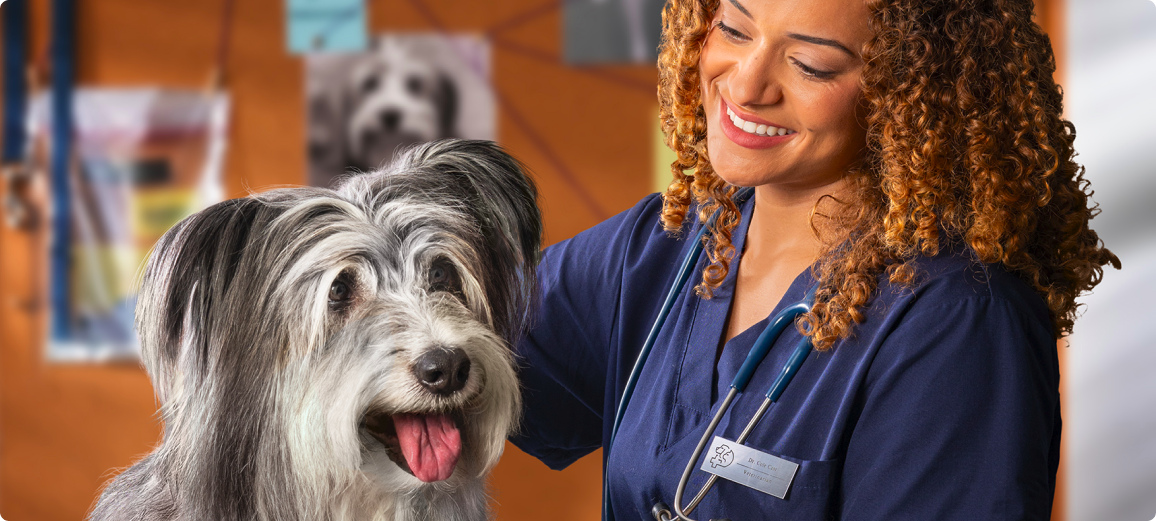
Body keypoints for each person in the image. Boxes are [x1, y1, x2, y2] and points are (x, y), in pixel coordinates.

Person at [510, 0, 1119, 519]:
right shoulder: (670, 240)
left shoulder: (961, 323)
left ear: (913, 92)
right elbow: (463, 364)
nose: (747, 85)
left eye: (812, 65)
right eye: (733, 29)